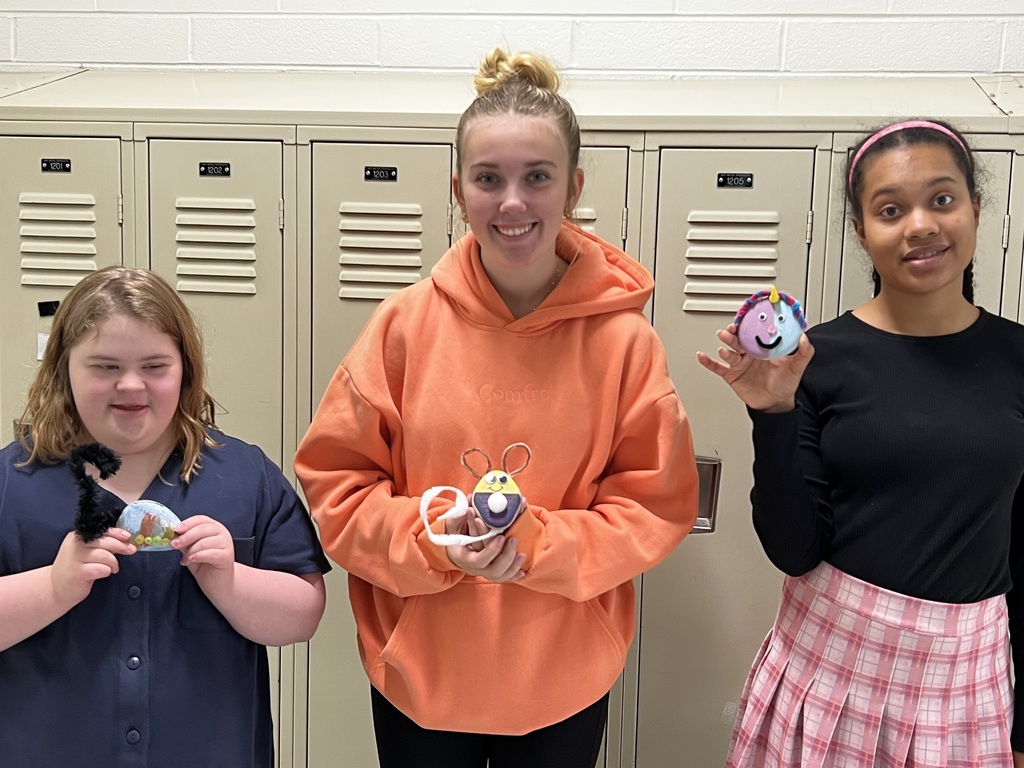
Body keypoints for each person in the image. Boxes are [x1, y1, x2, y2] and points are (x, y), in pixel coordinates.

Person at [295, 47, 699, 768]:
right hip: (421, 677)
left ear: (572, 187)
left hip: (563, 680)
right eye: (489, 179)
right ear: (458, 189)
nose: (512, 203)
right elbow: (337, 488)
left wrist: (538, 545)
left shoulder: (624, 344)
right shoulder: (403, 327)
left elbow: (653, 508)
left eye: (536, 178)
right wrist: (428, 536)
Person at [697, 118, 1024, 767]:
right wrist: (774, 413)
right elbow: (795, 550)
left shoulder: (1018, 359)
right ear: (861, 230)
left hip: (968, 690)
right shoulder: (820, 358)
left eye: (942, 199)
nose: (920, 224)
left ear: (976, 209)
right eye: (891, 209)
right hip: (828, 678)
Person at [0, 266, 330, 768]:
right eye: (105, 367)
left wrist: (231, 582)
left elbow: (303, 614)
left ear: (186, 370)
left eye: (155, 366)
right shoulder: (12, 480)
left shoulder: (244, 476)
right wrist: (53, 587)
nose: (131, 386)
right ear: (63, 369)